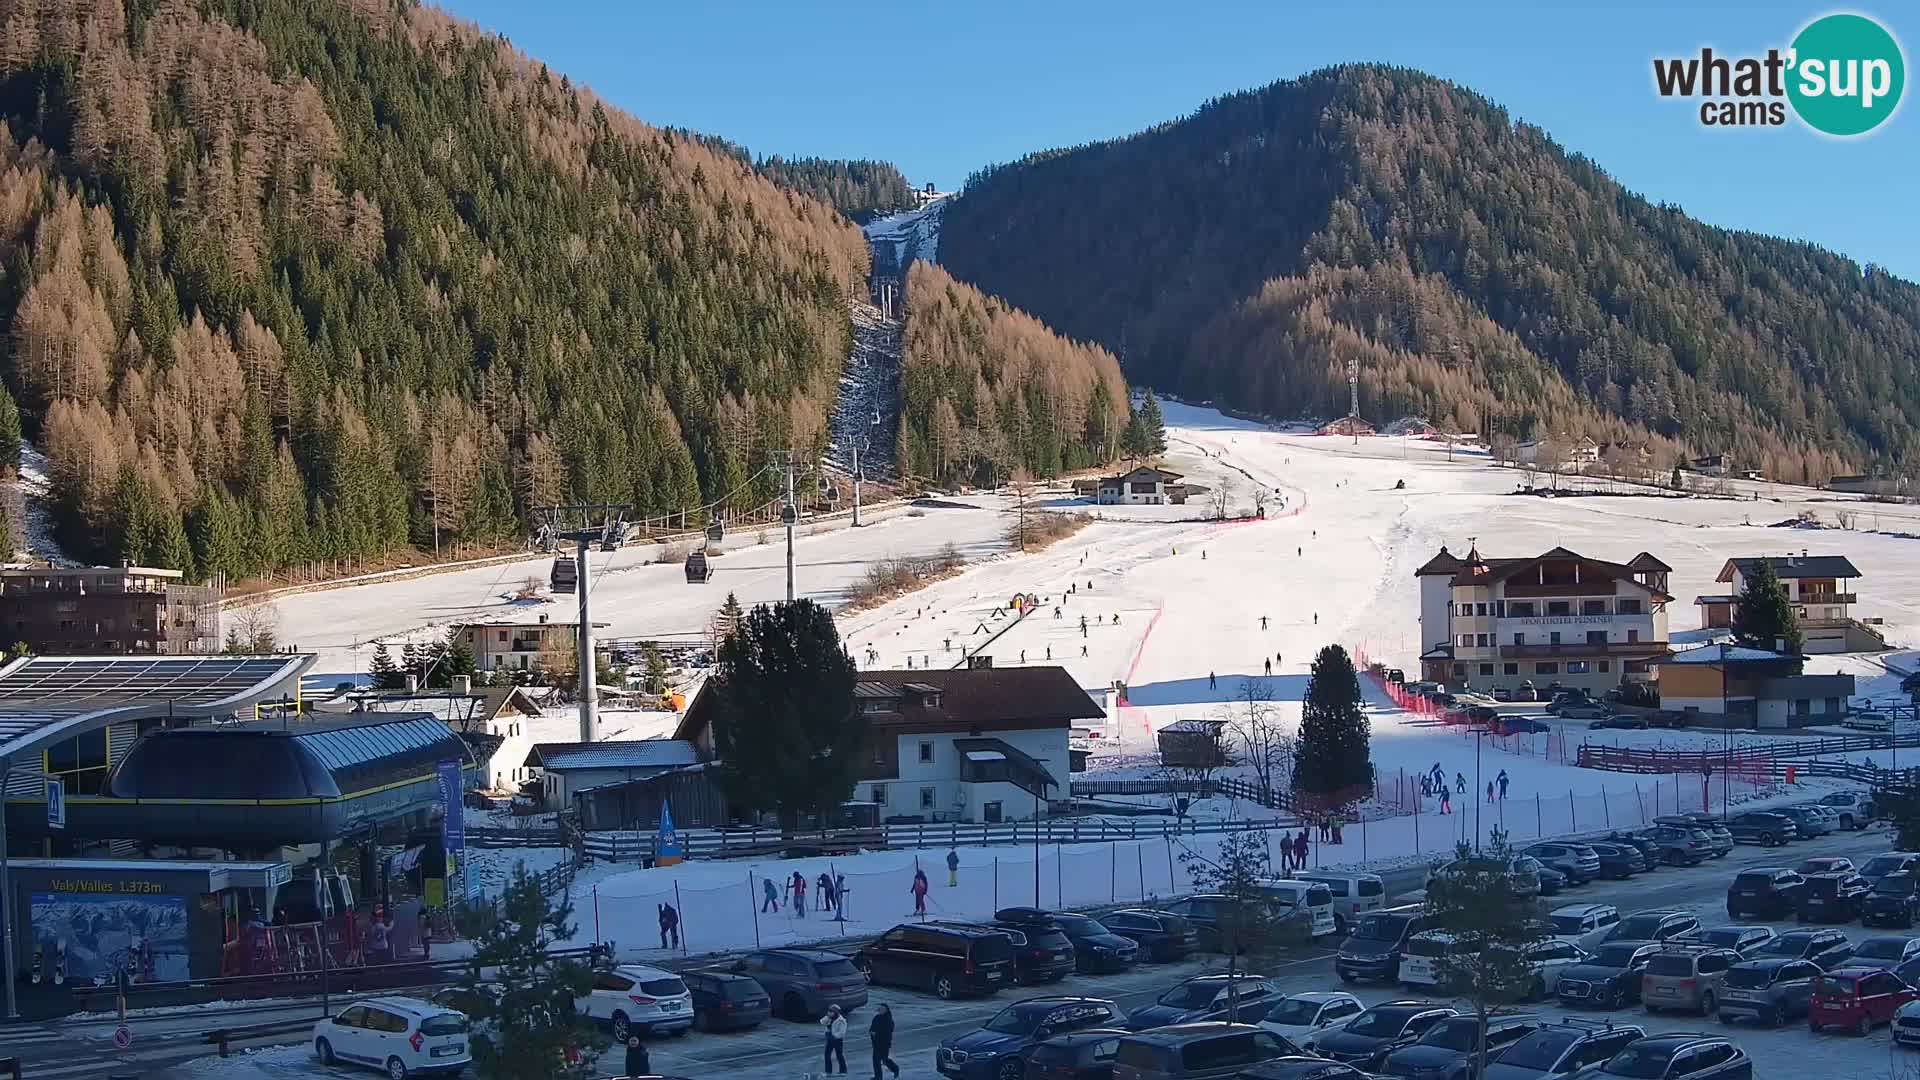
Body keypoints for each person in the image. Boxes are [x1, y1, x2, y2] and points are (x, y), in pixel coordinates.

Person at [869, 1003, 901, 1079]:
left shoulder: (888, 1020)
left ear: (886, 1010)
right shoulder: (876, 1017)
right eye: (879, 1009)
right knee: (876, 1061)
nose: (880, 1011)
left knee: (884, 1060)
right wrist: (871, 1032)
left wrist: (876, 1033)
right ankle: (878, 1077)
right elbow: (872, 1027)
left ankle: (895, 1069)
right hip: (876, 1042)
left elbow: (887, 1032)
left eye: (882, 1009)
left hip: (884, 1044)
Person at [820, 1004, 849, 1074]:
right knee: (827, 1055)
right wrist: (827, 1017)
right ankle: (828, 1071)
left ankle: (843, 1070)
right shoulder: (829, 1018)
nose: (829, 1013)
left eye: (831, 1011)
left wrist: (834, 1036)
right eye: (829, 1011)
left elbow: (842, 1032)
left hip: (837, 1040)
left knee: (839, 1055)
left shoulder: (842, 1021)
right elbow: (822, 1022)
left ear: (836, 1012)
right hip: (830, 1039)